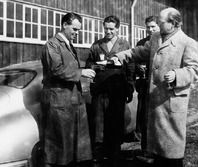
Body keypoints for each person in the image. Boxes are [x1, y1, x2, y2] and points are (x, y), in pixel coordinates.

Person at [113, 7, 198, 167]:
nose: (158, 25)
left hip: (171, 103)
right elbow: (141, 52)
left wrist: (177, 75)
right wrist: (124, 54)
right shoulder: (156, 38)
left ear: (173, 23)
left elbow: (194, 71)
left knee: (172, 153)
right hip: (156, 103)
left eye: (161, 22)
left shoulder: (187, 42)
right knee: (158, 151)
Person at [40, 12, 96, 167]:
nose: (76, 33)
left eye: (78, 30)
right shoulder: (52, 44)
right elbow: (56, 69)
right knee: (58, 145)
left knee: (69, 144)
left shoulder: (68, 45)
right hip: (58, 99)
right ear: (65, 25)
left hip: (69, 99)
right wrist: (81, 72)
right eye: (74, 29)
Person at [85, 15, 134, 167]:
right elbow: (89, 64)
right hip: (100, 90)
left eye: (111, 29)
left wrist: (130, 88)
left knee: (116, 122)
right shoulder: (97, 45)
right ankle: (98, 156)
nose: (108, 31)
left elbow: (130, 67)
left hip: (118, 91)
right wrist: (95, 68)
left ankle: (115, 155)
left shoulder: (124, 44)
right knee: (98, 123)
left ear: (117, 29)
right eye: (106, 28)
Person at [134, 16, 159, 152]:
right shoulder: (142, 43)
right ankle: (144, 149)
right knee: (143, 117)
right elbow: (135, 60)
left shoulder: (163, 42)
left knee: (157, 118)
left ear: (159, 26)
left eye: (153, 26)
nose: (150, 29)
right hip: (144, 85)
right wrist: (139, 67)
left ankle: (156, 150)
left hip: (158, 88)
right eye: (148, 27)